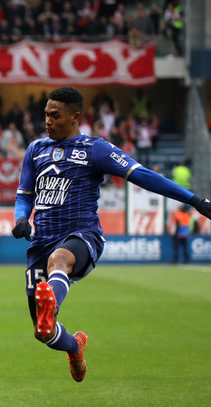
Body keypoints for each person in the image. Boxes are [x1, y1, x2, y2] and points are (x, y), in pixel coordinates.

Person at [12, 87, 211, 382]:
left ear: (76, 117)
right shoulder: (35, 150)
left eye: (55, 115)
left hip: (81, 236)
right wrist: (20, 219)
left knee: (61, 259)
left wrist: (195, 200)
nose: (48, 121)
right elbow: (24, 194)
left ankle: (50, 300)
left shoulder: (96, 149)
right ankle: (74, 346)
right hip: (41, 244)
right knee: (43, 332)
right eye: (46, 115)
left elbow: (143, 175)